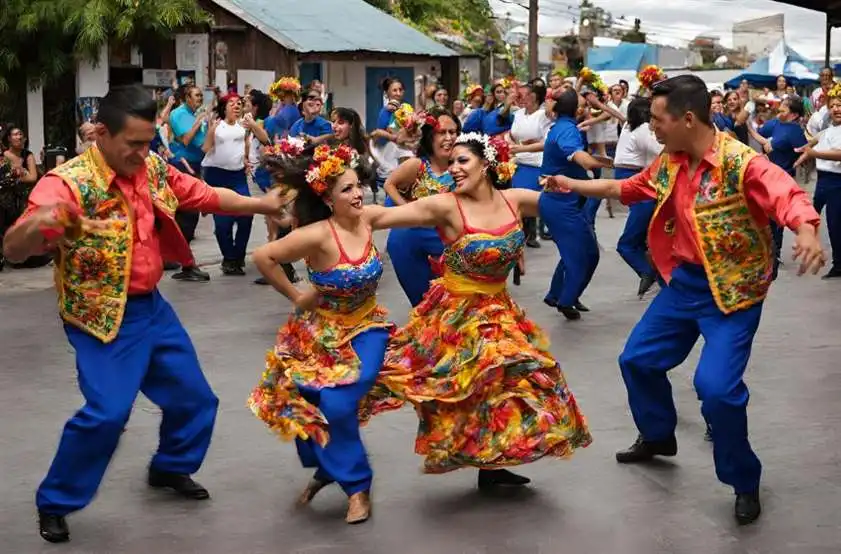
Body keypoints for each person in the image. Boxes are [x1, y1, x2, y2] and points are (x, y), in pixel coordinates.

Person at [2, 84, 285, 543]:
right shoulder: (68, 183)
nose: (142, 152)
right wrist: (38, 224)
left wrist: (263, 203)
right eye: (132, 143)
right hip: (100, 316)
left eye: (148, 141)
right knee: (108, 414)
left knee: (195, 400)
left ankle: (171, 467)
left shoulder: (152, 166)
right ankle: (55, 500)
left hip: (152, 307)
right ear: (100, 134)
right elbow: (14, 250)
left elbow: (205, 195)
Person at [542, 75, 825, 525]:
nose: (650, 127)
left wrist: (807, 230)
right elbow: (625, 188)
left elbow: (786, 193)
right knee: (636, 360)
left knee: (716, 391)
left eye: (657, 119)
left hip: (732, 295)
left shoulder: (741, 163)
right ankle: (658, 435)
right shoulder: (671, 162)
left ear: (687, 119)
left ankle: (743, 480)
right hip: (684, 285)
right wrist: (569, 185)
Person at [364, 133, 592, 488]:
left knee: (511, 380)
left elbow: (563, 202)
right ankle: (334, 430)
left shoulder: (514, 199)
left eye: (462, 161)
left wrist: (571, 185)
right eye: (451, 162)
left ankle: (492, 465)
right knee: (417, 378)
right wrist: (340, 209)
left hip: (499, 308)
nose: (453, 169)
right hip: (456, 312)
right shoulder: (445, 205)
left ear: (485, 165)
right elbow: (385, 215)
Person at [249, 141, 392, 525]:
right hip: (321, 332)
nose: (357, 193)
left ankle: (355, 485)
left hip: (367, 327)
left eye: (357, 186)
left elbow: (419, 212)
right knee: (308, 402)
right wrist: (297, 295)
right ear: (328, 200)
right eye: (346, 189)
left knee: (340, 402)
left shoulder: (370, 219)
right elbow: (264, 257)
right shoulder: (316, 234)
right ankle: (334, 468)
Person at [540, 88, 608, 320]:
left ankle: (558, 294)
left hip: (566, 202)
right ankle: (566, 300)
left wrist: (604, 162)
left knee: (583, 252)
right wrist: (590, 163)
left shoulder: (562, 127)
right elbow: (576, 155)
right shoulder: (566, 130)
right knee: (581, 256)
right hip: (560, 204)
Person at [382, 108, 460, 306]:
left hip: (448, 240)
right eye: (442, 133)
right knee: (424, 302)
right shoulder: (417, 165)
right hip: (409, 241)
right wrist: (407, 210)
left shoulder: (463, 167)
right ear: (430, 137)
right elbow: (389, 184)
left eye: (453, 132)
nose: (449, 138)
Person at [613, 97, 662, 297]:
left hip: (638, 185)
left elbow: (660, 149)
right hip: (631, 185)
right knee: (641, 240)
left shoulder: (640, 129)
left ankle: (650, 274)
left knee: (626, 245)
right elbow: (614, 114)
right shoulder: (628, 126)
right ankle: (653, 274)